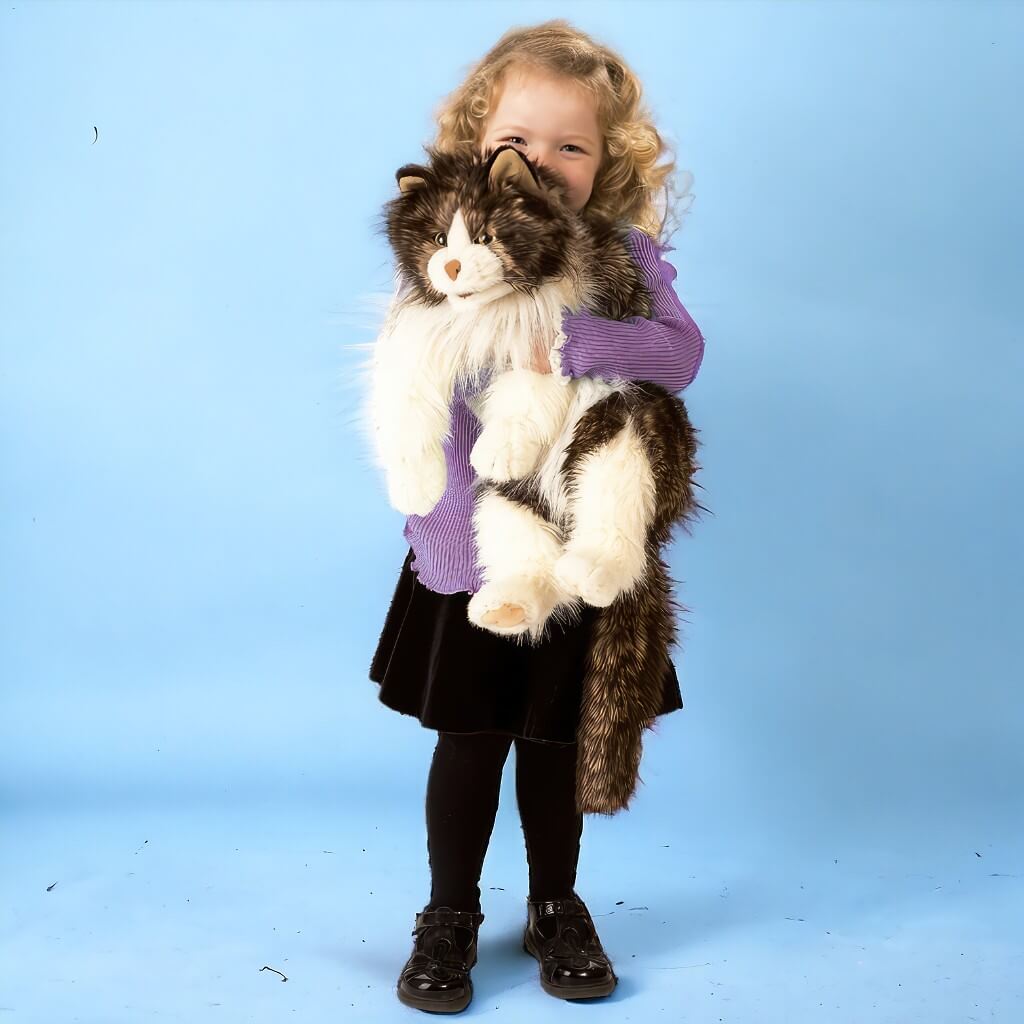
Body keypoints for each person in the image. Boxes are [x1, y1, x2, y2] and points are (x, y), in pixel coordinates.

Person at [368, 19, 706, 1013]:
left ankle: (557, 902)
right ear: (477, 140)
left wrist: (571, 341)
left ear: (605, 164)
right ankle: (449, 911)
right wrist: (431, 519)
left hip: (576, 545)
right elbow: (407, 391)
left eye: (573, 144)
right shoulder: (445, 248)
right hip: (471, 548)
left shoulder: (624, 255)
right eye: (519, 138)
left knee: (556, 740)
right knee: (470, 737)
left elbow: (678, 357)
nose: (543, 161)